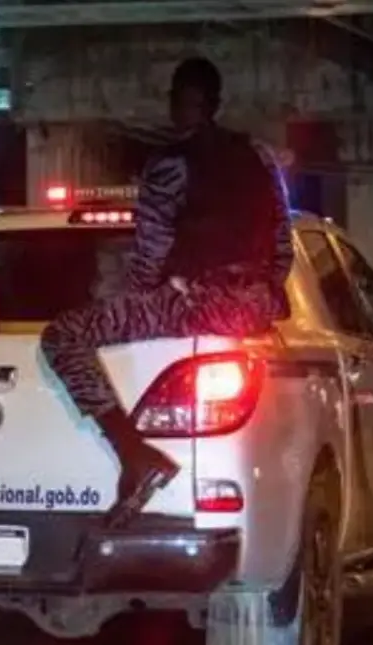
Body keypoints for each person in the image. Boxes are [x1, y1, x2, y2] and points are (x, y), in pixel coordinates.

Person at [40, 57, 294, 527]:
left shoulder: (170, 165)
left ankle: (133, 454)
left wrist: (145, 300)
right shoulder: (260, 159)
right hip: (255, 304)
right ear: (215, 103)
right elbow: (283, 246)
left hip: (202, 303)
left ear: (178, 102)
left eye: (179, 99)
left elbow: (150, 253)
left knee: (63, 335)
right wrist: (258, 293)